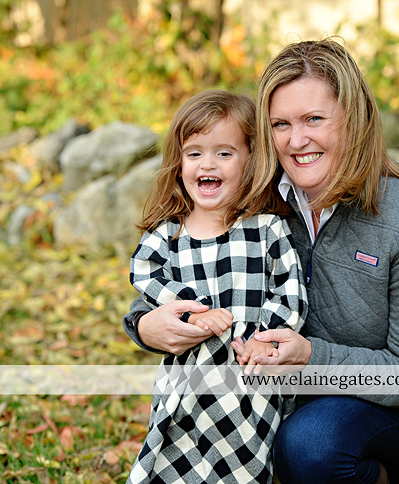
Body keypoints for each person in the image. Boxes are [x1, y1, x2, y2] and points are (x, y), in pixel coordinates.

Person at [124, 38, 399, 484]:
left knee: (310, 446)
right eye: (280, 124)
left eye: (314, 120)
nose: (297, 140)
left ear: (354, 118)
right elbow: (190, 265)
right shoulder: (259, 196)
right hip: (284, 394)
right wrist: (145, 326)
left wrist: (310, 357)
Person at [126, 89, 307, 484]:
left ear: (251, 160)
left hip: (249, 377)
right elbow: (144, 272)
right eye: (194, 153)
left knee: (243, 464)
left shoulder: (266, 229)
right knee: (176, 462)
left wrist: (265, 338)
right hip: (187, 380)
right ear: (178, 164)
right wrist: (191, 310)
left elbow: (289, 291)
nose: (207, 163)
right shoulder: (169, 234)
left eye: (224, 153)